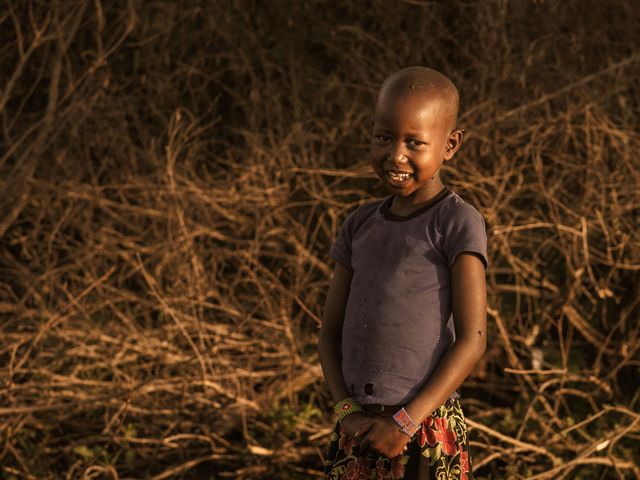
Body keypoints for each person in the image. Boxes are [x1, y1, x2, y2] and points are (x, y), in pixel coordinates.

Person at [318, 66, 488, 479]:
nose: (396, 155)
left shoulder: (457, 222)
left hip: (425, 431)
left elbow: (473, 341)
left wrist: (406, 423)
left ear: (450, 145)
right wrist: (347, 415)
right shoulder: (359, 225)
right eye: (384, 137)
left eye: (414, 142)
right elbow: (328, 334)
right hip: (356, 431)